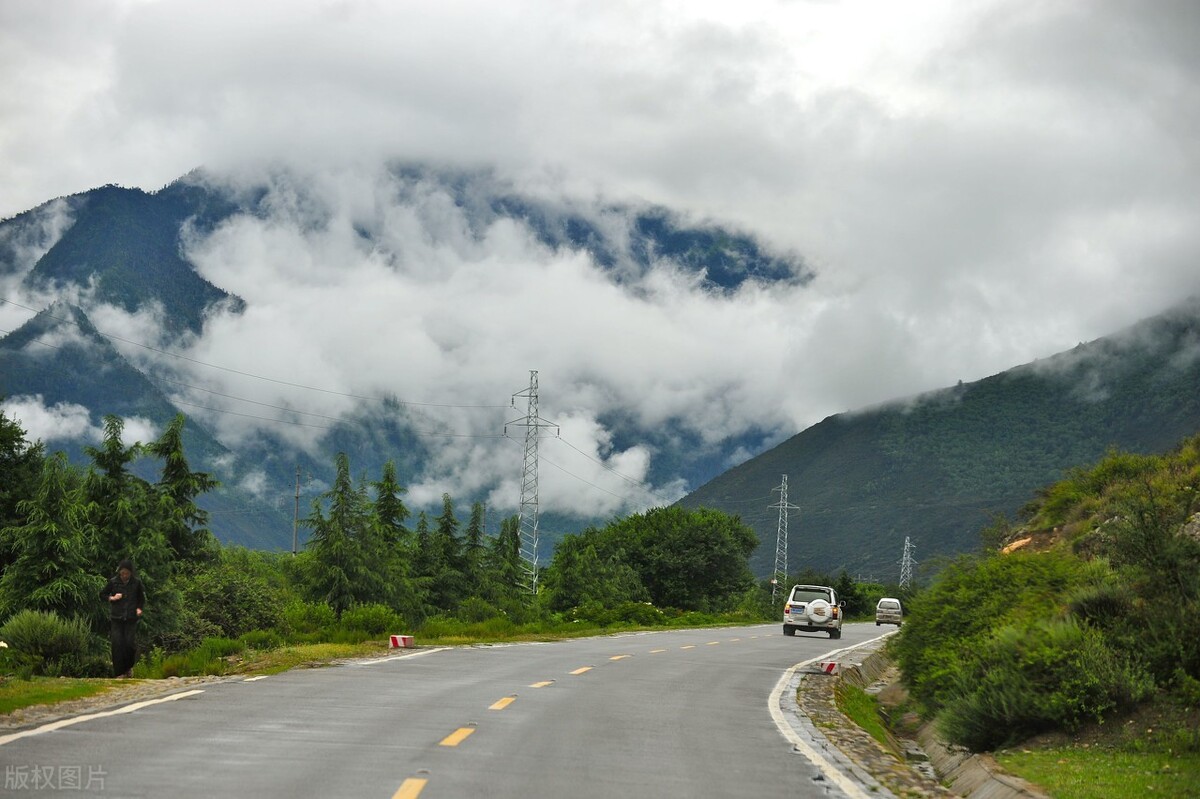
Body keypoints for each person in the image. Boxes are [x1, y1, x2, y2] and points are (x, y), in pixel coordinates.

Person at [99, 559, 145, 678]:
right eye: (122, 573)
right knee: (117, 643)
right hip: (117, 618)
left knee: (129, 643)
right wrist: (112, 598)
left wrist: (139, 608)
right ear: (120, 572)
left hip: (131, 618)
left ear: (131, 573)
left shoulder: (136, 583)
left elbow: (141, 598)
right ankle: (119, 672)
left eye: (127, 573)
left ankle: (128, 667)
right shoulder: (114, 582)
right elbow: (102, 594)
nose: (124, 575)